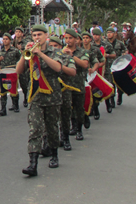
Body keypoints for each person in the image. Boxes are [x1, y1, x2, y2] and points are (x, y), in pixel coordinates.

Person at [17, 25, 64, 176]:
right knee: (35, 128)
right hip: (35, 95)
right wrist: (24, 55)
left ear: (46, 36)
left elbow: (57, 68)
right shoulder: (30, 52)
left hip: (52, 95)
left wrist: (41, 54)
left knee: (51, 128)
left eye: (39, 35)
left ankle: (55, 155)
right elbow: (18, 71)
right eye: (34, 35)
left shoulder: (55, 51)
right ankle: (33, 164)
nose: (37, 37)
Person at [48, 35, 77, 153]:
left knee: (65, 115)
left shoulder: (66, 57)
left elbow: (72, 71)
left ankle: (65, 138)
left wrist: (59, 67)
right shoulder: (46, 57)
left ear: (60, 46)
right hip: (51, 91)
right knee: (51, 118)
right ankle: (49, 143)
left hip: (64, 90)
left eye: (56, 46)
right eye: (52, 46)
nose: (54, 48)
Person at [62, 29, 89, 146]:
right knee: (67, 109)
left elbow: (84, 64)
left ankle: (79, 130)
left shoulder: (83, 51)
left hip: (78, 84)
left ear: (76, 39)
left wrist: (72, 56)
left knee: (79, 108)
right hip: (66, 85)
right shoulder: (62, 50)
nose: (68, 41)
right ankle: (71, 127)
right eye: (66, 38)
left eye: (70, 38)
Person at [0, 33, 21, 115]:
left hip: (12, 72)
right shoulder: (0, 52)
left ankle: (15, 105)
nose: (5, 40)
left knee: (13, 89)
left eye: (6, 39)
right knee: (3, 90)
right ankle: (3, 109)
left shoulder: (15, 51)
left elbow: (20, 60)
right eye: (4, 39)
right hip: (3, 72)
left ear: (10, 40)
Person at [92, 28, 116, 114]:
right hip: (95, 70)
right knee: (94, 89)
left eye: (97, 35)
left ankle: (108, 103)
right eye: (94, 35)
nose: (95, 37)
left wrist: (107, 55)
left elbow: (114, 54)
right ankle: (95, 109)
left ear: (100, 36)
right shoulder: (91, 45)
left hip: (105, 69)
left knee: (106, 87)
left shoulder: (106, 44)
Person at [12, 27, 32, 108]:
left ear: (22, 33)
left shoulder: (25, 42)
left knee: (24, 84)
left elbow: (28, 53)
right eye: (16, 32)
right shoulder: (13, 42)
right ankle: (14, 103)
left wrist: (21, 50)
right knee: (13, 85)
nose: (18, 33)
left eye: (19, 32)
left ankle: (25, 98)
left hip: (24, 65)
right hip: (14, 65)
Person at [106, 28, 126, 107]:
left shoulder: (120, 43)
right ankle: (112, 99)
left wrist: (124, 53)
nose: (109, 34)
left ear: (115, 34)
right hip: (109, 66)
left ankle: (120, 95)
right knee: (111, 83)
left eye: (111, 32)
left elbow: (125, 50)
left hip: (118, 65)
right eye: (107, 33)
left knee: (119, 83)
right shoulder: (105, 43)